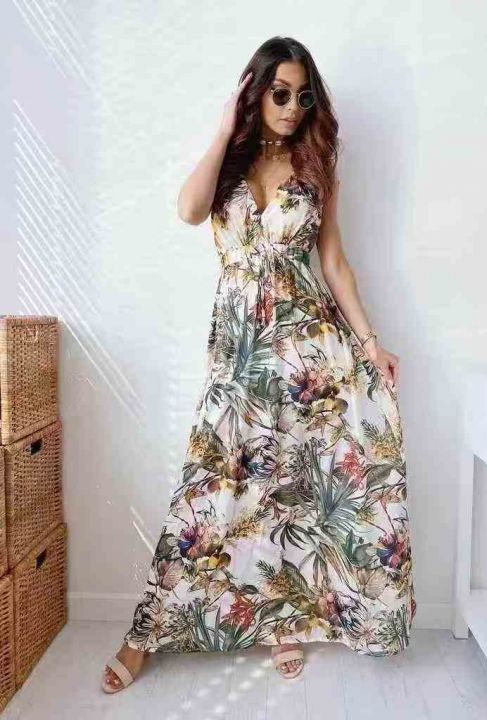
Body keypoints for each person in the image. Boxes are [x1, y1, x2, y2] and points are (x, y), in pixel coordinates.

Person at [102, 35, 416, 694]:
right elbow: (189, 211)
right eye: (280, 93)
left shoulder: (316, 165)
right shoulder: (230, 160)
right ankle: (144, 633)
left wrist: (369, 342)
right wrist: (224, 129)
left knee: (294, 486)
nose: (293, 106)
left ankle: (283, 621)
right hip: (241, 350)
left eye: (303, 96)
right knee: (211, 485)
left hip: (307, 350)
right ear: (254, 91)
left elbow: (333, 261)